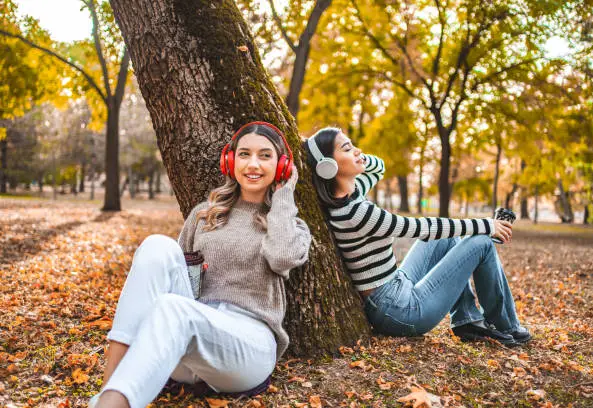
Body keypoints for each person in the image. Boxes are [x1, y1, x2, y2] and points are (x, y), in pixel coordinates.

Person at [89, 122, 311, 408]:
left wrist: (283, 195)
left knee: (174, 308)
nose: (253, 164)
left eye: (265, 156)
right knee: (157, 245)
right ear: (230, 161)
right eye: (244, 154)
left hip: (246, 347)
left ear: (281, 166)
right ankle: (110, 386)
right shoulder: (204, 215)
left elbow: (281, 257)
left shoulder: (292, 227)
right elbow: (173, 275)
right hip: (185, 336)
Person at [303, 127, 530, 346]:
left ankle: (466, 320)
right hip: (398, 311)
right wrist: (485, 225)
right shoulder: (356, 213)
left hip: (395, 287)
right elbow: (420, 227)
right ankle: (505, 325)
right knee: (481, 241)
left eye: (353, 145)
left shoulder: (352, 192)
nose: (357, 150)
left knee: (447, 239)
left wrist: (357, 158)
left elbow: (379, 167)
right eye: (346, 148)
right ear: (328, 166)